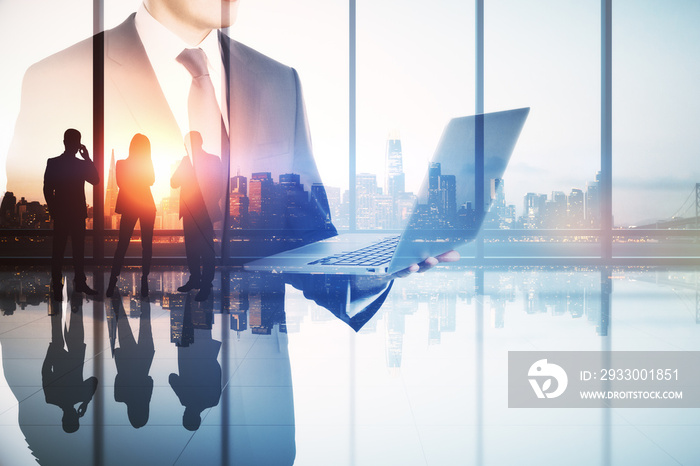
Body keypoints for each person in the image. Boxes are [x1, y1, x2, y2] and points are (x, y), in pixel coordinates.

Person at [43, 128, 100, 300]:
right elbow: (96, 180)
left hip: (62, 213)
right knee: (78, 250)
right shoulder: (81, 165)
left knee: (58, 251)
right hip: (76, 213)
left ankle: (57, 286)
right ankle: (79, 283)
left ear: (64, 142)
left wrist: (53, 210)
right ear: (77, 145)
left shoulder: (53, 163)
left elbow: (47, 189)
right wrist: (88, 158)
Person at [170, 131, 224, 301]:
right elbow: (174, 182)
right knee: (195, 249)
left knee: (203, 250)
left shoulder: (209, 160)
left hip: (201, 212)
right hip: (193, 212)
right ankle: (198, 281)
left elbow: (221, 184)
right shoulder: (192, 161)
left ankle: (204, 284)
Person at [106, 134, 157, 298]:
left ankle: (113, 281)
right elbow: (149, 180)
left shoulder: (122, 164)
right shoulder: (141, 164)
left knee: (124, 244)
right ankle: (143, 281)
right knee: (144, 245)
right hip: (144, 204)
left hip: (131, 205)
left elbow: (124, 183)